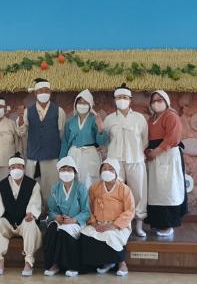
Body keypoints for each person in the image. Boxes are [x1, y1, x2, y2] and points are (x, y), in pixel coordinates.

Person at [103, 84, 149, 237]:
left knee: (138, 192)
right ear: (114, 99)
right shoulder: (109, 119)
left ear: (130, 99)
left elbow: (144, 139)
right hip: (115, 161)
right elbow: (106, 140)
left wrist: (136, 151)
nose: (121, 100)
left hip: (135, 159)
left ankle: (139, 224)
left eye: (124, 97)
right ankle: (120, 224)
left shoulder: (139, 118)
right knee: (117, 192)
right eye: (118, 97)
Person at [0, 153, 42, 277]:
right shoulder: (2, 185)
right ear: (9, 169)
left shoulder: (32, 184)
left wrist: (31, 214)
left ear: (24, 168)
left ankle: (28, 261)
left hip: (24, 222)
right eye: (13, 167)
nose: (16, 170)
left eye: (19, 167)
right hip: (8, 222)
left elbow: (35, 202)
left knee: (30, 223)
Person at [80, 158, 134, 277]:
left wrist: (112, 226)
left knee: (110, 235)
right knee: (85, 234)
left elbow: (130, 211)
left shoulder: (124, 189)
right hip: (98, 223)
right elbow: (88, 206)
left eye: (111, 169)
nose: (107, 171)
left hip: (117, 225)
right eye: (104, 169)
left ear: (116, 172)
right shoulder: (94, 187)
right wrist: (94, 223)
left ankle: (121, 263)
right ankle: (106, 262)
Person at [145, 90, 188, 240]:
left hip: (168, 156)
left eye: (159, 100)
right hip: (154, 159)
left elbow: (173, 137)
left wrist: (157, 151)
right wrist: (147, 151)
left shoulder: (171, 116)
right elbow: (147, 138)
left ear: (166, 101)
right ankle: (158, 222)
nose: (156, 103)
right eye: (153, 100)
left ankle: (168, 224)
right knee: (156, 190)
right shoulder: (151, 120)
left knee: (168, 189)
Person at [22, 78, 65, 214]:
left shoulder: (59, 111)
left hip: (52, 157)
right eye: (40, 91)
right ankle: (35, 214)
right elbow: (23, 133)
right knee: (33, 187)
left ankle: (51, 214)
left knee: (51, 189)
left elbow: (62, 134)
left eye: (46, 90)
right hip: (33, 157)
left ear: (50, 93)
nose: (43, 93)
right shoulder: (28, 111)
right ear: (35, 93)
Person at [42, 156, 90, 277]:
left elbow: (86, 211)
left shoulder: (81, 187)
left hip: (76, 222)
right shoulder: (55, 188)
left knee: (64, 231)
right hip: (61, 220)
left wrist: (74, 220)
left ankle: (72, 266)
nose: (66, 172)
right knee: (52, 230)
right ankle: (53, 265)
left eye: (69, 169)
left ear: (75, 172)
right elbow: (51, 210)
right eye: (63, 169)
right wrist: (56, 217)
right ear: (59, 172)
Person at [60, 90, 108, 188]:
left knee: (90, 182)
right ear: (75, 104)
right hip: (73, 154)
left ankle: (90, 198)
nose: (82, 105)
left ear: (90, 105)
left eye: (85, 103)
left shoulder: (95, 119)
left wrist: (100, 129)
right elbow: (65, 142)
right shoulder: (71, 121)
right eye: (80, 102)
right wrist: (62, 160)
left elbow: (101, 142)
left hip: (90, 154)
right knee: (74, 180)